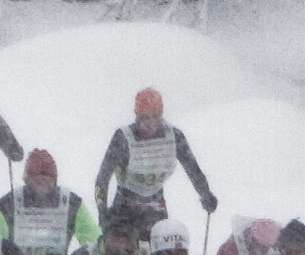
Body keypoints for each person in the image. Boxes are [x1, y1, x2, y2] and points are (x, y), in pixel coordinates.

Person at [89, 86, 215, 245]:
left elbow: (192, 167)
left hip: (155, 206)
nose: (149, 123)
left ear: (161, 115)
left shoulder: (174, 136)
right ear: (136, 116)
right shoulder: (123, 138)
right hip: (125, 207)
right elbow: (103, 177)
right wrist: (103, 212)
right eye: (144, 117)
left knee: (160, 254)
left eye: (155, 117)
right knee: (124, 252)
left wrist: (205, 193)